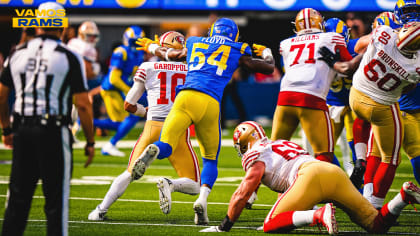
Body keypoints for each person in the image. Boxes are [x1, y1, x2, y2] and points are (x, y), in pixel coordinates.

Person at [135, 17, 275, 225]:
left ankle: (155, 149)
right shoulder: (238, 48)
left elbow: (172, 54)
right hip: (210, 103)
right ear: (234, 34)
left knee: (166, 144)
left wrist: (153, 46)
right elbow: (268, 68)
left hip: (185, 97)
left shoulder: (193, 41)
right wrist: (266, 53)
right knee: (209, 159)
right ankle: (202, 200)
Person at [200, 121, 420, 234]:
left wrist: (225, 225)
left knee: (270, 224)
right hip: (330, 171)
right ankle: (402, 197)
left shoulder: (255, 153)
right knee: (375, 225)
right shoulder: (278, 143)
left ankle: (318, 215)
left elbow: (246, 187)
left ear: (247, 141)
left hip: (309, 177)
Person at [0, 2, 95, 236]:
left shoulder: (17, 53)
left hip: (22, 128)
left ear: (36, 25)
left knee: (17, 200)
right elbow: (82, 103)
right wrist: (90, 142)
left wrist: (6, 129)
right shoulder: (69, 56)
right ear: (62, 26)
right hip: (53, 130)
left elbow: (1, 97)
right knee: (55, 202)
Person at [88, 31, 201, 220]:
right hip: (178, 129)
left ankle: (99, 211)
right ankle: (169, 183)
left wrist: (146, 111)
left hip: (152, 125)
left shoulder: (148, 66)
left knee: (129, 173)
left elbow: (128, 105)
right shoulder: (192, 70)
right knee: (195, 185)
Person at [318, 21, 420, 209]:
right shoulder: (415, 67)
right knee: (391, 158)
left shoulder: (383, 33)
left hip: (356, 96)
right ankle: (375, 206)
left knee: (369, 144)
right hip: (380, 104)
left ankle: (361, 168)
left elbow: (359, 48)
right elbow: (409, 87)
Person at [272, 8, 353, 163]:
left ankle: (254, 185)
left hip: (285, 97)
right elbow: (349, 67)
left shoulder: (286, 44)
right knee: (324, 154)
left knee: (273, 151)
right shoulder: (332, 37)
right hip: (312, 97)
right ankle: (319, 186)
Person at [349, 12, 402, 189]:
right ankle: (373, 199)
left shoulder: (378, 36)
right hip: (385, 103)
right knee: (385, 156)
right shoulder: (403, 47)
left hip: (359, 96)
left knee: (360, 123)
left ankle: (360, 160)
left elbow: (356, 47)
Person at [94, 26, 147, 157]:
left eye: (138, 42)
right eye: (134, 41)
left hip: (124, 88)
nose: (135, 44)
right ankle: (84, 122)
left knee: (135, 115)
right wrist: (130, 91)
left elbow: (134, 73)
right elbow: (113, 79)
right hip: (113, 90)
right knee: (121, 122)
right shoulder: (121, 52)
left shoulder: (139, 53)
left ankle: (110, 143)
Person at [324, 17, 357, 174]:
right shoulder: (317, 49)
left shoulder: (356, 47)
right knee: (323, 149)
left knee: (358, 148)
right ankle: (341, 183)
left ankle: (360, 187)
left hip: (354, 105)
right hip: (332, 103)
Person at [394, 1, 420, 185]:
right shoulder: (391, 39)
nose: (411, 16)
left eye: (415, 11)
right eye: (407, 11)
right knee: (417, 155)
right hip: (406, 108)